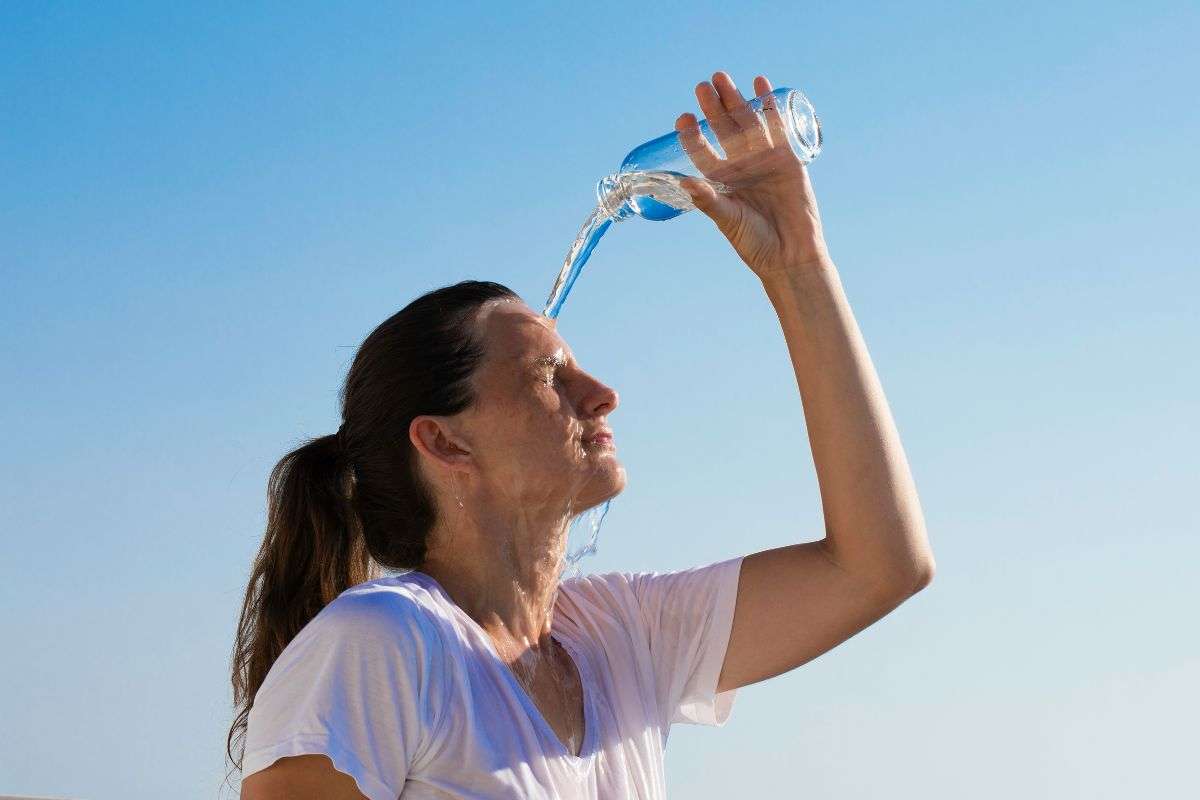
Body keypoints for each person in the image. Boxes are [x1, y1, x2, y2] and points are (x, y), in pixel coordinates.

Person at [230, 71, 935, 800]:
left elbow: (880, 565)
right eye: (547, 376)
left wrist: (798, 267)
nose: (602, 395)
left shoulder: (620, 637)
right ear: (444, 443)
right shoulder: (383, 643)